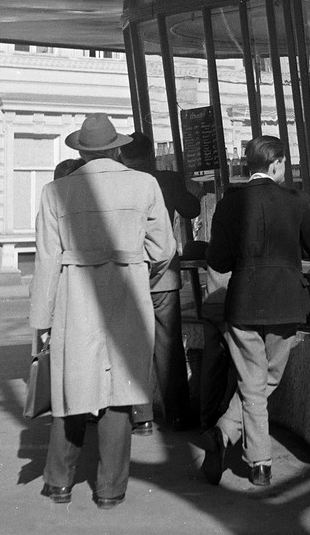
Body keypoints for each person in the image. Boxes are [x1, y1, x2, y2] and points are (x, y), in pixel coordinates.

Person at [29, 113, 175, 509]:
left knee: (72, 383)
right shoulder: (145, 184)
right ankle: (110, 489)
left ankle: (59, 482)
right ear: (116, 147)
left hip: (75, 293)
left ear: (81, 150)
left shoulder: (54, 191)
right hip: (128, 289)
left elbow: (45, 260)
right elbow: (164, 250)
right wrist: (138, 266)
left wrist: (41, 321)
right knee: (120, 389)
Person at [202, 135, 310, 487]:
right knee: (266, 380)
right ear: (275, 164)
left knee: (254, 383)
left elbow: (217, 260)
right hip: (287, 304)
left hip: (243, 305)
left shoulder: (229, 204)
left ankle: (223, 433)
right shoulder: (295, 200)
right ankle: (260, 462)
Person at [120, 132, 202, 434]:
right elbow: (192, 209)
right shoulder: (166, 179)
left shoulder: (120, 180)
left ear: (123, 155)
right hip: (164, 272)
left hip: (129, 271)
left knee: (134, 343)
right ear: (152, 153)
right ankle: (178, 414)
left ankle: (141, 415)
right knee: (168, 345)